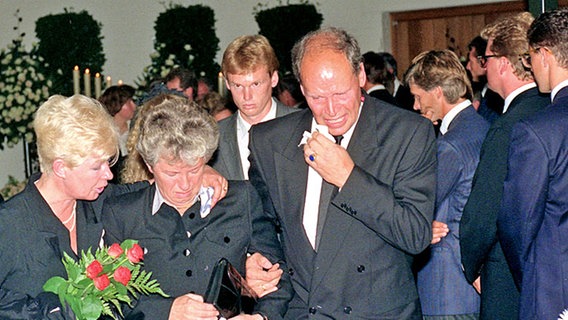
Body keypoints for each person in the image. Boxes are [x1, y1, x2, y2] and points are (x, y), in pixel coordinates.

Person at [247, 27, 436, 318]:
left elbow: (415, 234)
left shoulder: (407, 133)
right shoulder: (269, 140)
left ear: (360, 75)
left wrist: (349, 177)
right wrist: (258, 257)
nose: (331, 109)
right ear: (300, 87)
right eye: (317, 97)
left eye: (340, 93)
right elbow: (262, 222)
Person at [102, 98, 292, 319]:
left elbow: (279, 277)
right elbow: (109, 298)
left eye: (194, 170)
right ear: (149, 165)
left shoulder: (242, 200)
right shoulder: (123, 214)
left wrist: (260, 317)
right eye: (172, 173)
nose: (184, 184)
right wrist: (167, 311)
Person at [0, 95, 151, 319]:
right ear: (60, 168)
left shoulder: (100, 200)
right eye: (96, 167)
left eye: (108, 162)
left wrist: (203, 173)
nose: (108, 175)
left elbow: (151, 191)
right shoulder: (10, 224)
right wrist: (49, 311)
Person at [459, 12, 550, 319]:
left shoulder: (507, 126)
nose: (484, 68)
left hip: (506, 273)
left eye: (485, 58)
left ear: (501, 63)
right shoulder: (551, 111)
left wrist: (471, 264)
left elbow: (484, 213)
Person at [406, 50, 488, 319]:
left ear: (437, 92)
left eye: (418, 97)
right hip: (472, 283)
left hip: (446, 287)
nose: (416, 106)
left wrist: (419, 227)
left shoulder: (449, 145)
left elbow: (419, 206)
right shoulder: (482, 127)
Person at [498, 8, 568, 319]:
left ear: (544, 53)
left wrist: (533, 278)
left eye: (528, 58)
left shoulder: (536, 130)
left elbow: (517, 224)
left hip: (555, 287)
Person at [209, 35, 298, 180]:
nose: (247, 95)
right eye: (238, 85)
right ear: (227, 84)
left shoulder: (303, 126)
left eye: (255, 84)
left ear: (274, 79)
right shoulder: (213, 137)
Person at [98, 84, 137, 183]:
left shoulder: (136, 129)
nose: (134, 105)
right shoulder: (104, 133)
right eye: (129, 102)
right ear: (116, 105)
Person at [465, 36, 504, 123]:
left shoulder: (496, 99)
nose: (468, 67)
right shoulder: (481, 92)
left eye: (471, 62)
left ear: (483, 61)